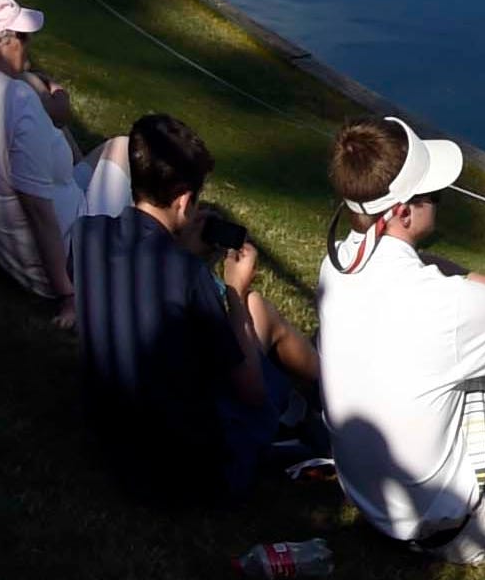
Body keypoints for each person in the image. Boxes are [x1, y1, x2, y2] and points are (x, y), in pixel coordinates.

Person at [316, 118, 485, 560]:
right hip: (464, 532)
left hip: (376, 507)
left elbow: (430, 267)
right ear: (403, 212)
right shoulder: (446, 304)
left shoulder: (337, 265)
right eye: (435, 195)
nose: (439, 202)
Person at [70, 114, 323, 504]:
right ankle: (332, 394)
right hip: (188, 469)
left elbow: (139, 282)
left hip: (112, 430)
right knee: (255, 316)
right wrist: (235, 290)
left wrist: (180, 249)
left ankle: (321, 389)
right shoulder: (188, 275)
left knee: (252, 318)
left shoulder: (88, 234)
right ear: (185, 200)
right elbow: (251, 393)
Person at [0, 0, 106, 317]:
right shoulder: (17, 103)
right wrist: (67, 294)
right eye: (22, 36)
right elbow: (38, 211)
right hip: (64, 253)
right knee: (127, 154)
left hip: (12, 251)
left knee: (116, 148)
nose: (29, 42)